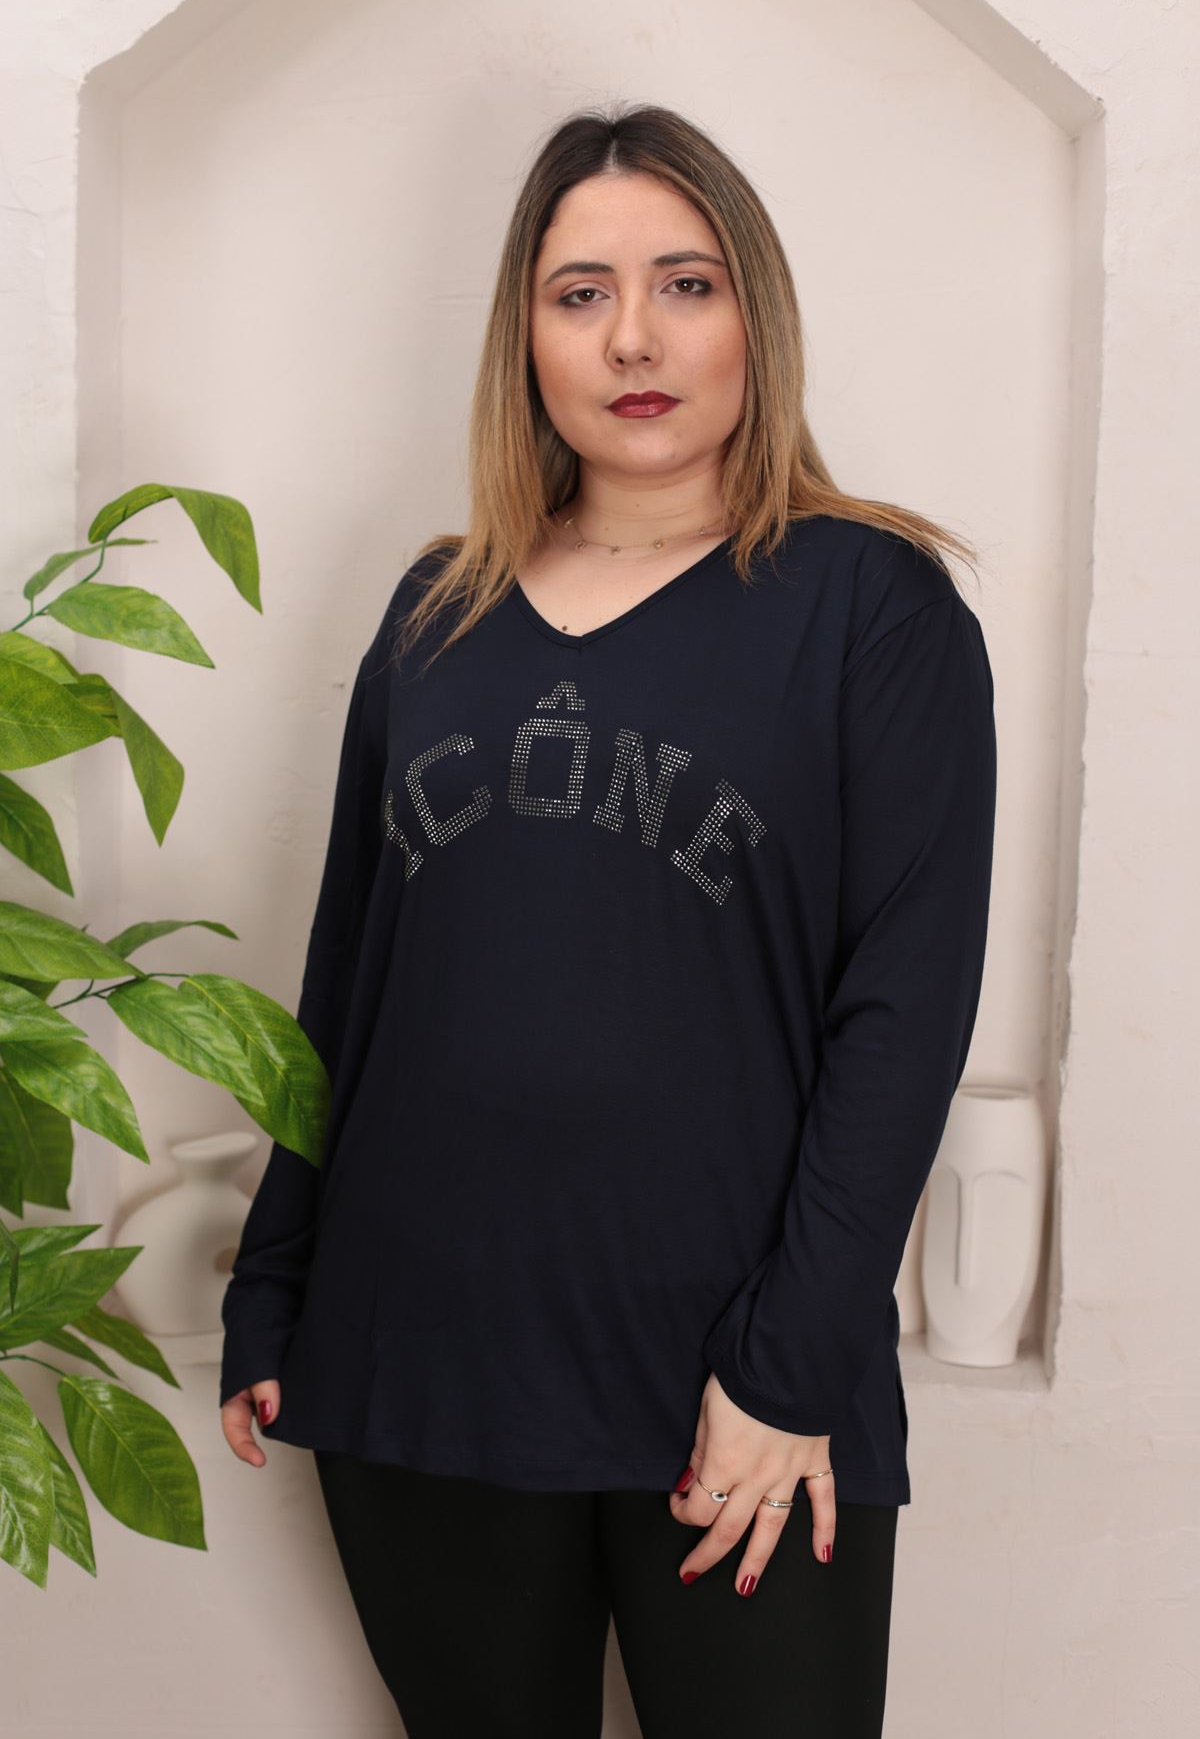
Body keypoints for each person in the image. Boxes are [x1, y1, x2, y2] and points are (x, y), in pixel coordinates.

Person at [218, 100, 997, 1739]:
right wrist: (275, 1282)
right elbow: (349, 975)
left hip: (740, 1379)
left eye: (684, 284)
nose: (633, 338)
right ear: (525, 336)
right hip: (420, 1347)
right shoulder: (434, 615)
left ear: (753, 316)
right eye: (580, 294)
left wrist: (789, 1369)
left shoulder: (872, 606)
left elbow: (903, 1011)